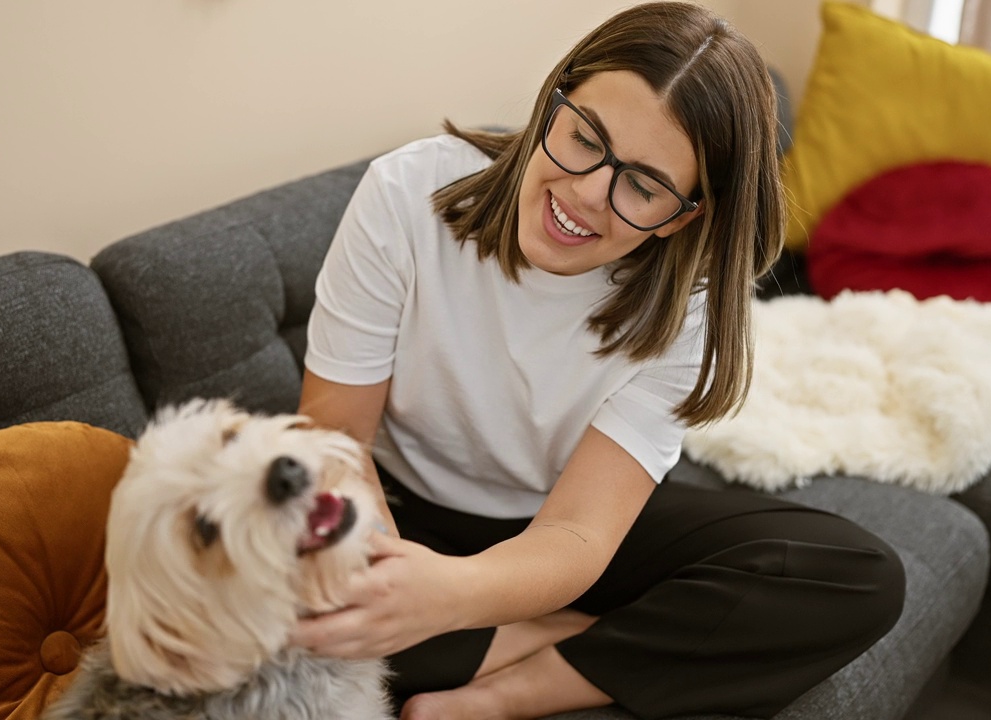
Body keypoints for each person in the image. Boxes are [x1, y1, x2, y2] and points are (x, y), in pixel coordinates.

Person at [290, 3, 906, 719]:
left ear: (684, 215)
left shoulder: (690, 306)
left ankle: (516, 688)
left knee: (858, 578)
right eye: (584, 137)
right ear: (557, 98)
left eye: (642, 186)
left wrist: (445, 600)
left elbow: (578, 533)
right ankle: (564, 638)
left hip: (568, 520)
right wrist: (396, 582)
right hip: (394, 506)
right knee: (290, 608)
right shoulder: (406, 193)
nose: (585, 193)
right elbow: (334, 440)